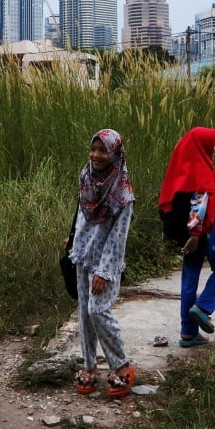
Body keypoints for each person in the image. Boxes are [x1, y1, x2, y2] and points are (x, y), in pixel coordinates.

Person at [66, 129, 137, 398]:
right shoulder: (86, 175)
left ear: (115, 152)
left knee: (98, 310)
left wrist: (105, 272)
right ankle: (90, 365)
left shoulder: (122, 192)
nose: (96, 155)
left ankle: (121, 366)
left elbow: (119, 238)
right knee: (84, 311)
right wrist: (72, 235)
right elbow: (82, 210)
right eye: (93, 149)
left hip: (104, 261)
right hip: (82, 252)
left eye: (102, 150)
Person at [158, 127, 215, 348]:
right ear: (201, 145)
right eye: (212, 142)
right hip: (208, 234)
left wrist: (184, 236)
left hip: (190, 236)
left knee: (189, 278)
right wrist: (194, 234)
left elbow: (173, 203)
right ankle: (203, 307)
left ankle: (188, 333)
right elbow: (199, 205)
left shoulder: (181, 169)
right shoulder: (201, 170)